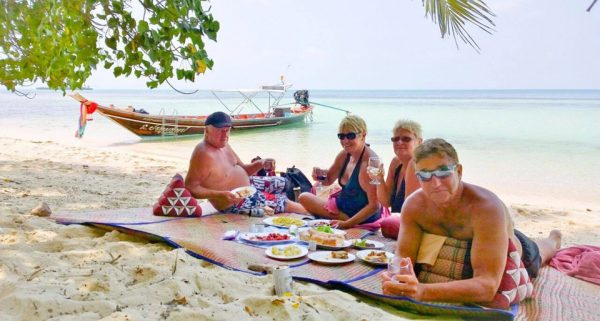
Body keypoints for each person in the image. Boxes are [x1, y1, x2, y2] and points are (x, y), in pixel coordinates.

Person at [380, 138, 561, 305]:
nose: (435, 183)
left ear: (459, 171)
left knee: (543, 252)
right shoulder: (414, 206)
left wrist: (422, 291)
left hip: (513, 248)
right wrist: (398, 278)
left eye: (443, 172)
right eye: (425, 176)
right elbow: (402, 259)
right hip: (483, 236)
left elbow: (487, 287)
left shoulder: (485, 207)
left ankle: (554, 238)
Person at [185, 111, 307, 214]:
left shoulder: (224, 145)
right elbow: (191, 188)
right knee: (284, 203)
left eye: (227, 130)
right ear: (206, 130)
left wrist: (261, 163)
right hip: (234, 202)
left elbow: (244, 169)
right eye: (220, 131)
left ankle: (300, 208)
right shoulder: (202, 153)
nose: (225, 135)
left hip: (248, 186)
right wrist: (220, 195)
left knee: (284, 182)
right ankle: (315, 214)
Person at [298, 114, 381, 229]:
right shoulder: (344, 155)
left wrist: (347, 224)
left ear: (363, 135)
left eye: (351, 136)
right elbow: (327, 181)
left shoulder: (370, 163)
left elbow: (374, 205)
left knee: (307, 200)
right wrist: (319, 175)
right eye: (341, 136)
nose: (345, 141)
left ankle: (349, 222)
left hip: (362, 216)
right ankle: (339, 219)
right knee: (304, 197)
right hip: (342, 208)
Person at [367, 120, 423, 238]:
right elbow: (385, 202)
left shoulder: (417, 165)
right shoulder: (396, 162)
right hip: (399, 220)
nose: (399, 142)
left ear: (419, 142)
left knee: (387, 223)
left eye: (406, 139)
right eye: (395, 139)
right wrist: (379, 180)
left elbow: (410, 210)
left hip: (414, 223)